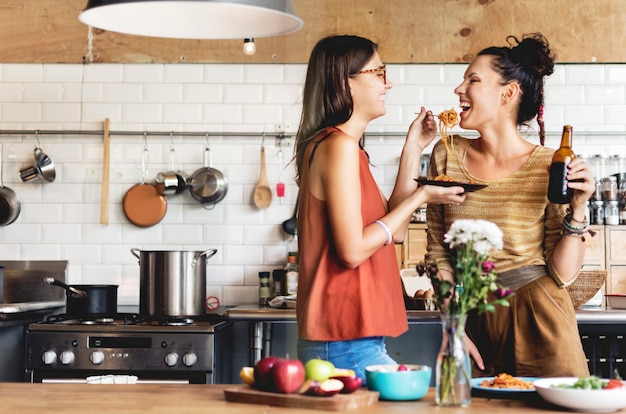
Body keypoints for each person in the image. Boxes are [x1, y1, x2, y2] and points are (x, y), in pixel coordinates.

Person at [294, 34, 467, 382]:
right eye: (379, 72)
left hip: (356, 338)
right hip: (344, 341)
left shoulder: (347, 149)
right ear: (347, 82)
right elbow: (352, 251)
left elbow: (395, 232)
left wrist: (414, 148)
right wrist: (421, 197)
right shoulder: (336, 146)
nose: (389, 82)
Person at [425, 33, 594, 378]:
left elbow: (561, 273)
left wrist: (578, 209)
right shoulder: (446, 153)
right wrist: (453, 326)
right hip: (472, 318)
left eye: (473, 80)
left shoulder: (549, 164)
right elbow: (438, 252)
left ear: (508, 93)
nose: (459, 89)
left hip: (540, 317)